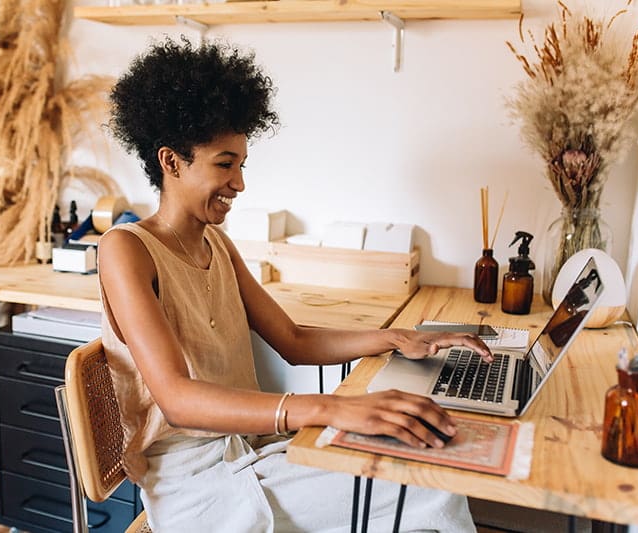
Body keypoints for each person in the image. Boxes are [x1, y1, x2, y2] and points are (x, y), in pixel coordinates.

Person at [98, 36, 493, 532]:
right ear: (171, 161)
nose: (239, 183)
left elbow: (294, 340)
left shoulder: (216, 244)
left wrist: (395, 338)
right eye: (225, 163)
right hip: (199, 486)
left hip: (254, 455)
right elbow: (176, 397)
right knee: (427, 484)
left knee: (419, 462)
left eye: (241, 165)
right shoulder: (126, 248)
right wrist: (331, 408)